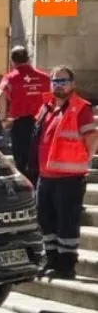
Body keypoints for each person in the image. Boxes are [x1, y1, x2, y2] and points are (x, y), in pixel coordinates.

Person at [33, 65, 98, 280]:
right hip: (46, 176)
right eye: (55, 81)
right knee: (46, 221)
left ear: (72, 84)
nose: (58, 85)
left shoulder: (81, 108)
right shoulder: (46, 107)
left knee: (66, 223)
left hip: (69, 177)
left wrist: (83, 161)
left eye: (62, 81)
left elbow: (91, 138)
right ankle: (51, 260)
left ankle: (66, 265)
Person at [0, 46, 50, 181]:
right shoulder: (45, 77)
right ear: (28, 59)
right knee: (39, 157)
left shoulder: (10, 77)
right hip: (43, 122)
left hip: (20, 124)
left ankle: (27, 189)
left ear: (12, 61)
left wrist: (3, 118)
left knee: (22, 160)